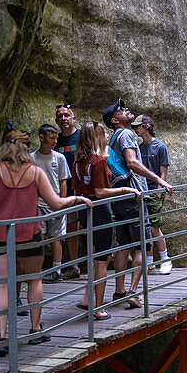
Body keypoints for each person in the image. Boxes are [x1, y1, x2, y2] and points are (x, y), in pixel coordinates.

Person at [0, 130, 92, 353]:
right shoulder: (35, 173)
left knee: (1, 284)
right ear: (27, 147)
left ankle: (1, 337)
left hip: (0, 235)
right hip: (29, 233)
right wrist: (77, 197)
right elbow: (56, 203)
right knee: (34, 280)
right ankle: (35, 329)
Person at [102, 99, 172, 309]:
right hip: (133, 195)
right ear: (115, 120)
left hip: (120, 197)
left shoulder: (114, 137)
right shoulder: (126, 134)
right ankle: (133, 291)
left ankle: (119, 291)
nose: (126, 110)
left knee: (123, 246)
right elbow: (132, 162)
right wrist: (158, 179)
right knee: (142, 244)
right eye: (121, 110)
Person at [72, 124, 138, 319]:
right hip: (99, 211)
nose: (108, 135)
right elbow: (101, 192)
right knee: (101, 261)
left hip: (85, 210)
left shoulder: (78, 162)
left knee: (96, 259)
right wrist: (126, 190)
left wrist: (79, 220)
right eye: (104, 133)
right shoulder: (99, 161)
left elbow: (78, 191)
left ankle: (87, 299)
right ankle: (98, 308)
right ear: (97, 138)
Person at [30, 123, 70, 282]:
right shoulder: (32, 158)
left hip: (55, 203)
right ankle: (37, 271)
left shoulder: (59, 158)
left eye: (56, 138)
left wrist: (62, 204)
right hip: (38, 204)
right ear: (41, 138)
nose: (54, 141)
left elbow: (63, 182)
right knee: (39, 237)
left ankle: (57, 270)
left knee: (56, 237)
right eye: (51, 138)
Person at [133, 115, 172, 274]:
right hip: (142, 191)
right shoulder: (139, 148)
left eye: (138, 126)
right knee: (145, 228)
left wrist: (158, 192)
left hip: (154, 192)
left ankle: (165, 260)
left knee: (154, 226)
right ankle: (149, 262)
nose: (135, 129)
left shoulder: (160, 147)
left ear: (147, 126)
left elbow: (163, 173)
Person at [55, 104, 82, 278]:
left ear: (73, 118)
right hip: (63, 191)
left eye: (67, 115)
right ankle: (74, 266)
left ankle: (96, 263)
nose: (63, 118)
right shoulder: (55, 140)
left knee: (86, 227)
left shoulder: (81, 136)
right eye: (60, 116)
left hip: (82, 189)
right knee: (70, 228)